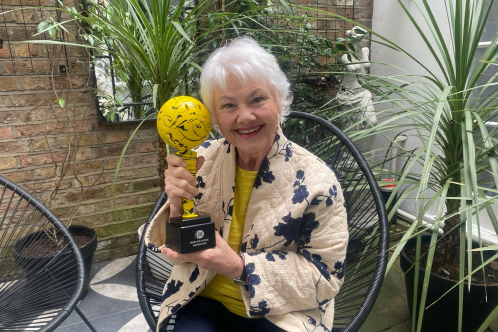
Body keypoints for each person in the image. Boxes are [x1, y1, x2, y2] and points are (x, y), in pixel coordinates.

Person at [145, 37, 348, 332]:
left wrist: (239, 267)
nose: (245, 116)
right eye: (228, 105)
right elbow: (184, 243)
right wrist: (177, 202)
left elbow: (325, 277)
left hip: (281, 313)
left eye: (256, 100)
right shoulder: (201, 161)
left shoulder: (318, 181)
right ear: (215, 116)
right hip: (203, 298)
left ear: (279, 101)